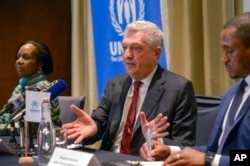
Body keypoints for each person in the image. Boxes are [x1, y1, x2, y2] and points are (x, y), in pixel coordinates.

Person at [63, 20, 197, 156]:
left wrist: (157, 140)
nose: (127, 55)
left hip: (142, 161)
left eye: (135, 48)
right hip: (108, 159)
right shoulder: (115, 84)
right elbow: (99, 122)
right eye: (124, 47)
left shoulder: (178, 88)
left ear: (156, 54)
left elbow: (184, 144)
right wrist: (94, 127)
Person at [139, 12, 250, 166]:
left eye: (230, 51)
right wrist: (171, 151)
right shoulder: (232, 94)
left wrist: (210, 160)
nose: (223, 59)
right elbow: (217, 150)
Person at [0, 40, 62, 136]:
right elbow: (7, 116)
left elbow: (30, 128)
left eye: (26, 57)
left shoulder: (45, 89)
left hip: (43, 143)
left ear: (40, 63)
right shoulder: (20, 87)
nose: (19, 61)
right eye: (18, 57)